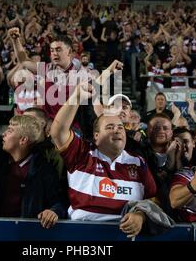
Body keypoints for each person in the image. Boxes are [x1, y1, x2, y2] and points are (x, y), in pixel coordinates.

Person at [51, 83, 160, 237]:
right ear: (96, 136)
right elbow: (58, 132)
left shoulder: (138, 162)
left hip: (125, 236)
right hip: (80, 235)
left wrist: (141, 215)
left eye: (120, 127)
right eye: (109, 127)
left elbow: (153, 199)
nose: (117, 130)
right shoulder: (82, 153)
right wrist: (76, 97)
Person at [0, 115, 66, 229]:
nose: (4, 134)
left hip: (26, 233)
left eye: (10, 130)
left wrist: (53, 211)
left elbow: (59, 201)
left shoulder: (44, 169)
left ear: (23, 140)